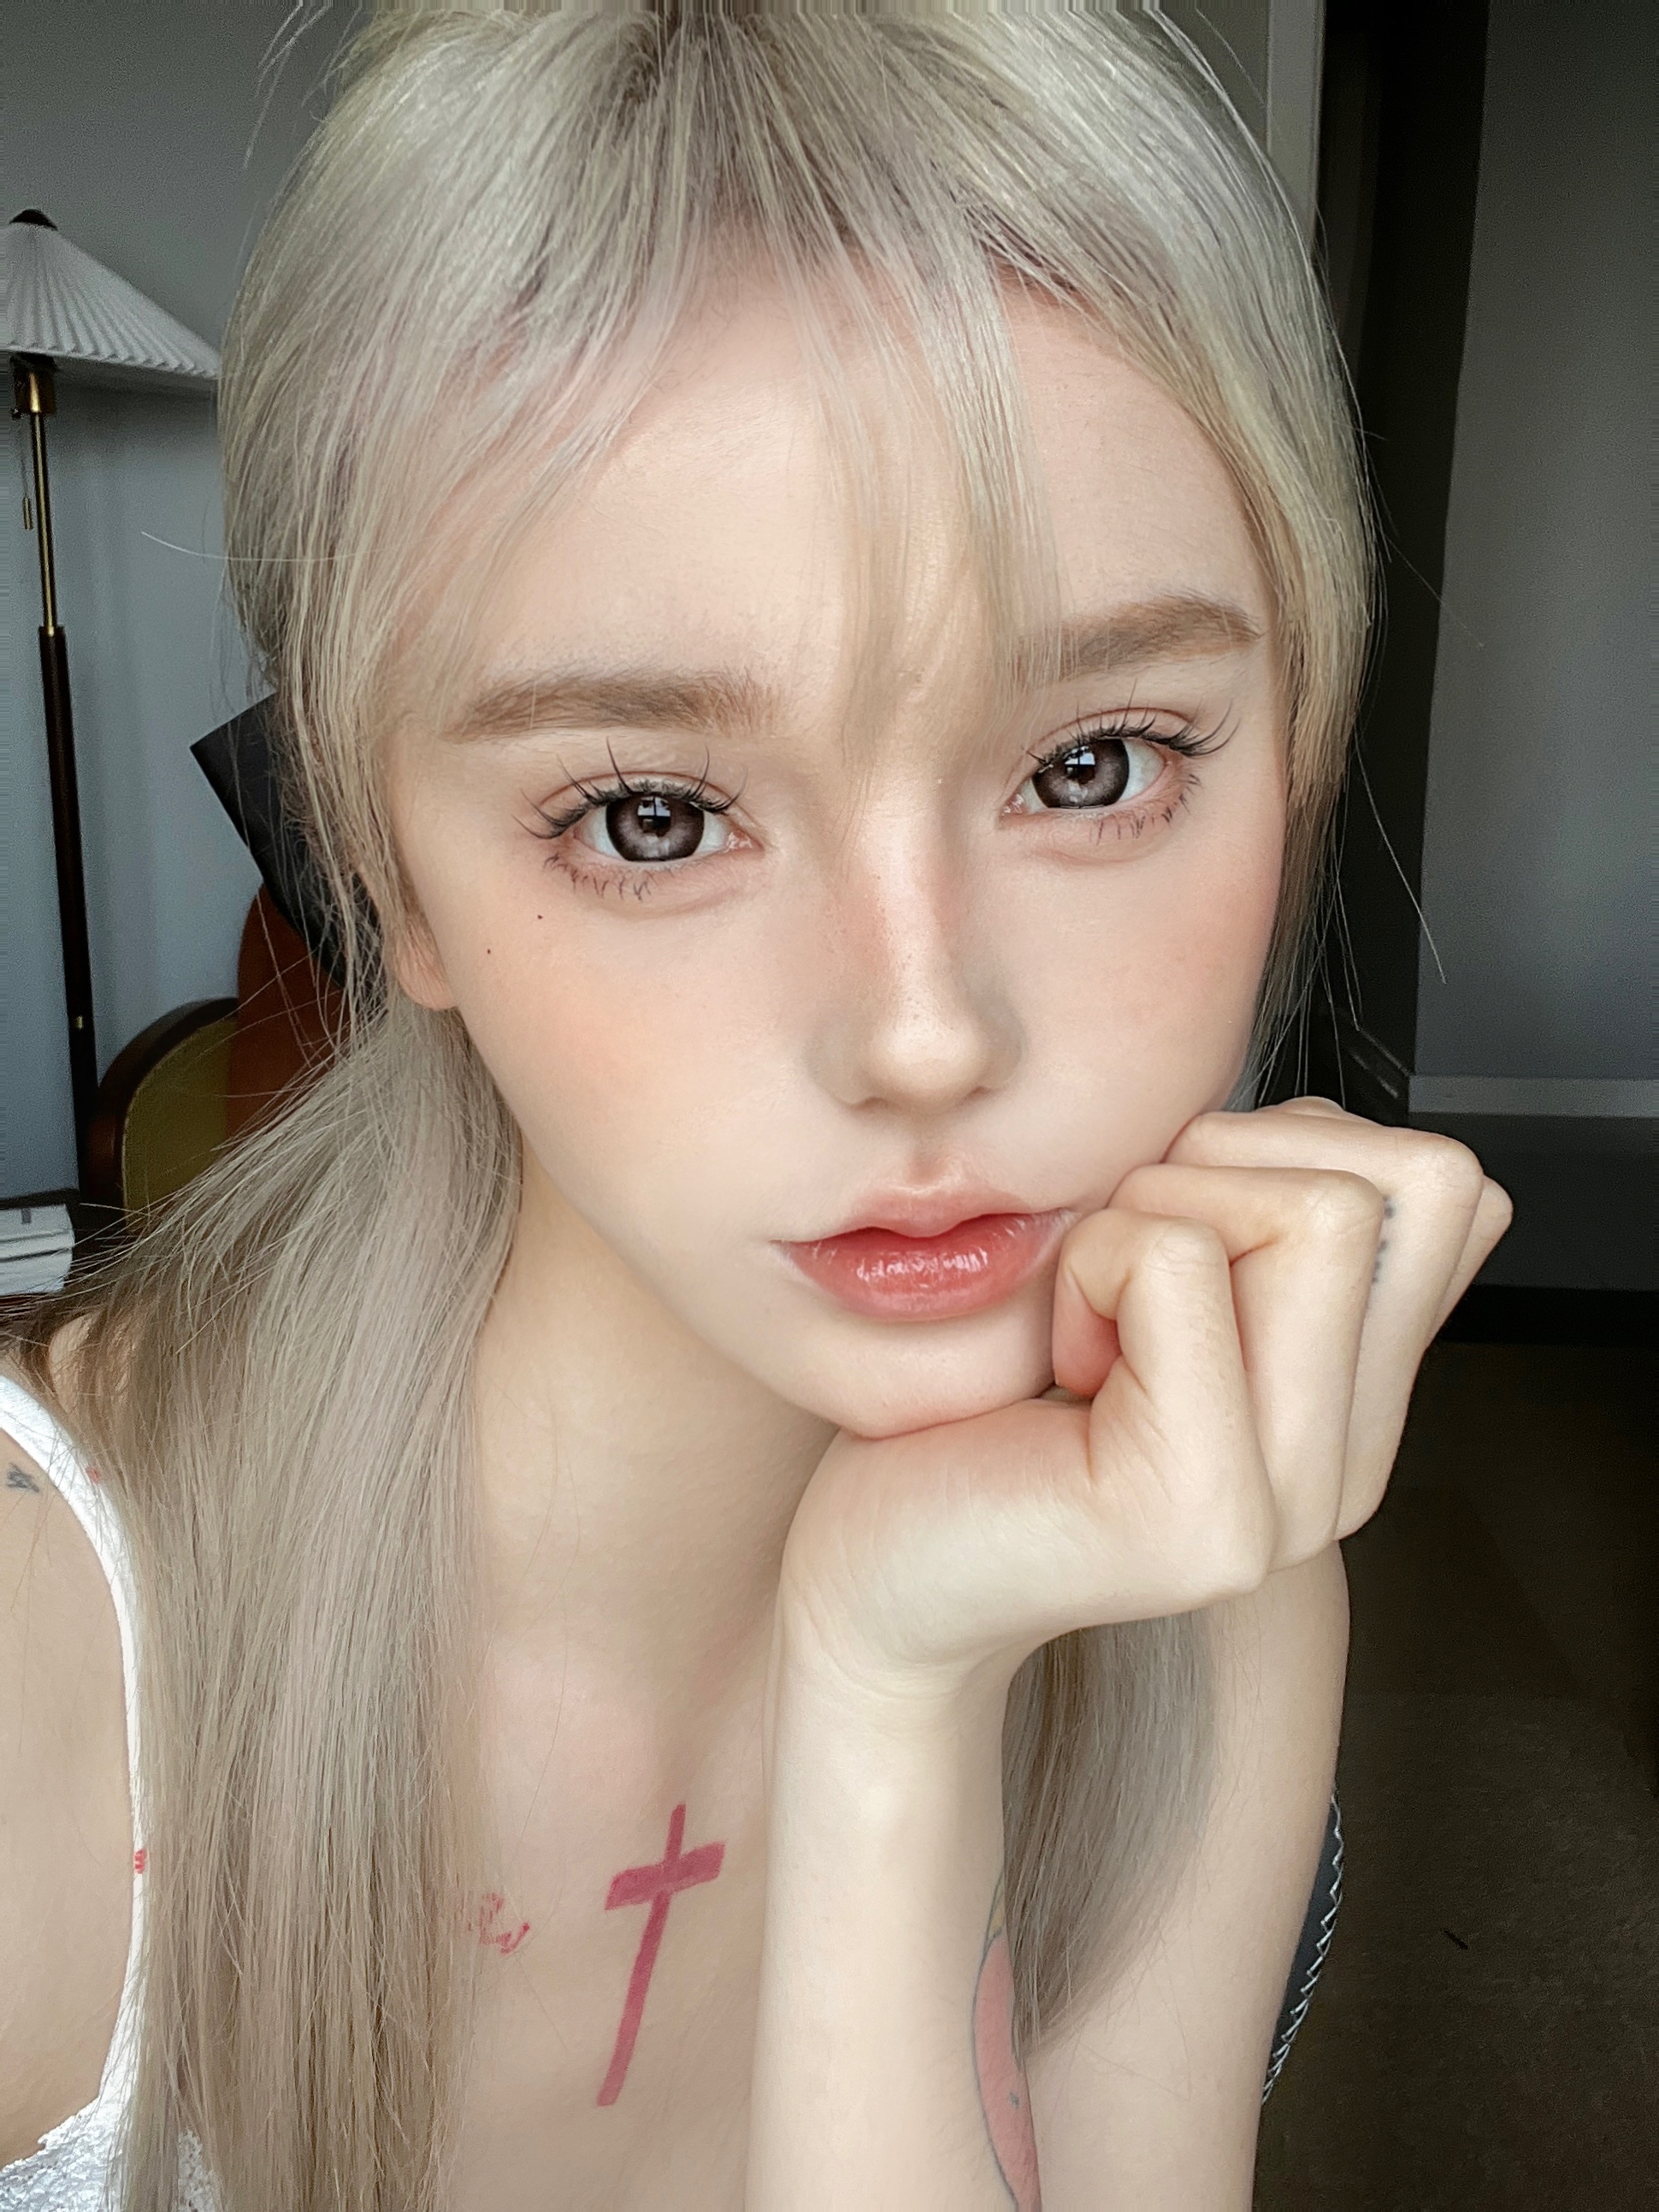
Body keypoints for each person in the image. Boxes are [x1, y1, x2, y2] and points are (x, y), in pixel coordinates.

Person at [0, 7, 1512, 2209]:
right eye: (652, 814)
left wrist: (896, 1682)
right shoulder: (39, 1672)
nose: (921, 1031)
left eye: (1090, 764)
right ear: (387, 870)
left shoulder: (1199, 1568)